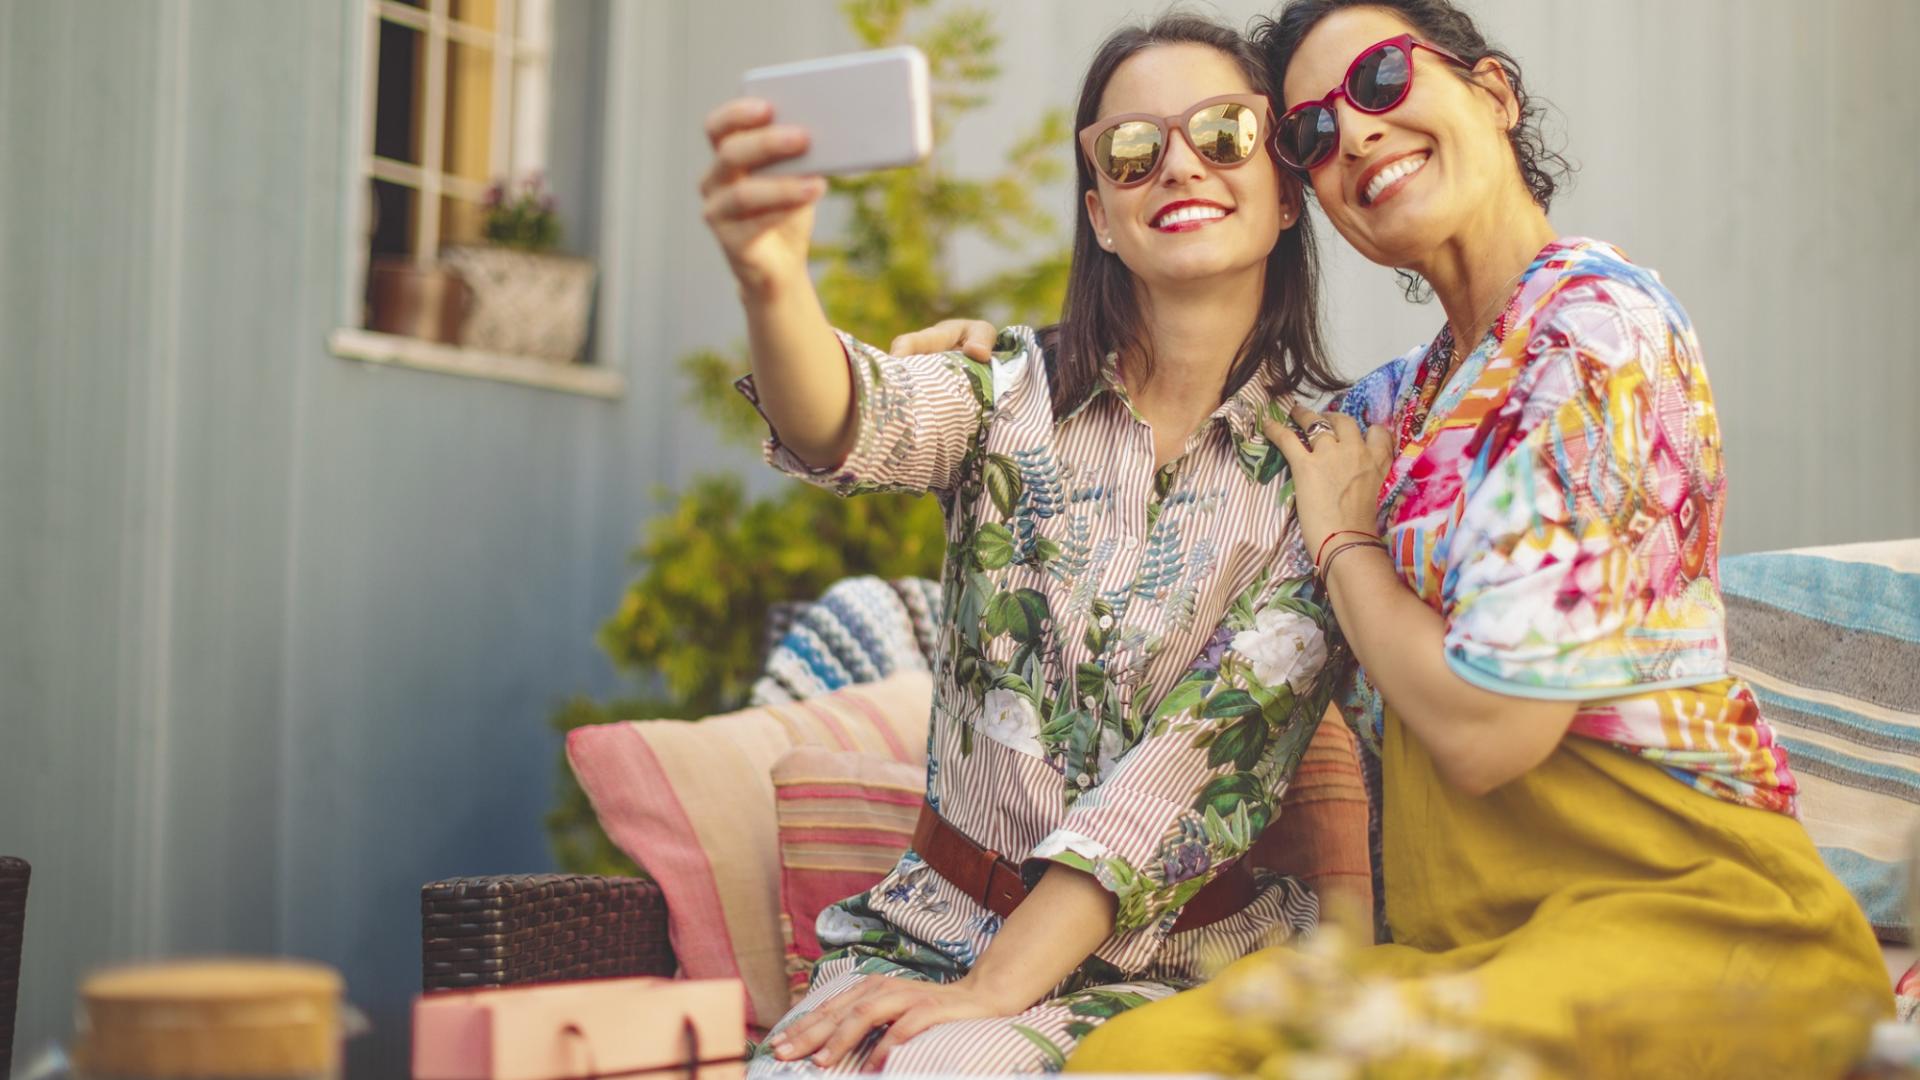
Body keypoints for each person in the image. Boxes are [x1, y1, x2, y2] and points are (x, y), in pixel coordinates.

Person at [1057, 1, 1893, 1073]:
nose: (1352, 133)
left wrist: (1348, 548)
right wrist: (1007, 372)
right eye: (1308, 131)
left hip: (1697, 921)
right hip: (1479, 949)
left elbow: (1488, 736)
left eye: (1380, 81)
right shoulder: (1394, 403)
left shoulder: (1600, 338)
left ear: (1492, 94)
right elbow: (1206, 425)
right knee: (1130, 1061)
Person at [699, 13, 1349, 1074]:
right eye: (1132, 149)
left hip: (1181, 971)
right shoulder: (1005, 395)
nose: (1178, 163)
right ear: (1100, 212)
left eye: (1225, 133)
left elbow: (1183, 773)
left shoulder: (1318, 474)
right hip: (927, 926)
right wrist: (772, 279)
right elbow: (848, 420)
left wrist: (987, 996)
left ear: (1285, 191)